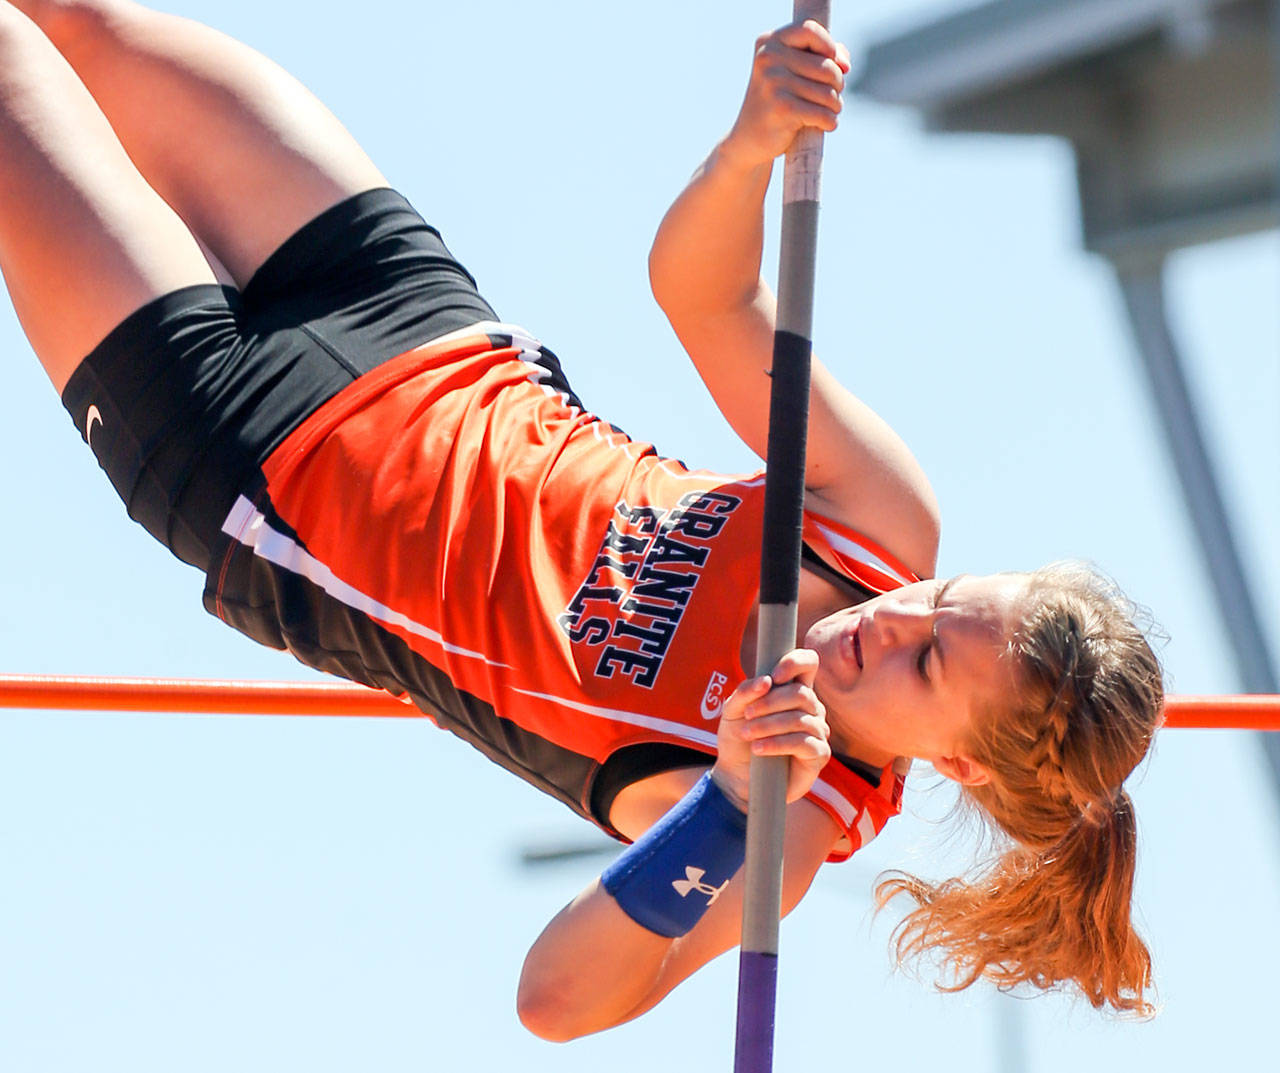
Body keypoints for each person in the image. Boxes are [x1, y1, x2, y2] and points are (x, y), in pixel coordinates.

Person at [0, 0, 1164, 1041]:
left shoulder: (784, 828)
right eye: (940, 604)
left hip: (254, 467)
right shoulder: (876, 521)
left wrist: (722, 797)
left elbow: (553, 997)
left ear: (951, 757)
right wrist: (749, 148)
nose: (889, 620)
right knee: (74, 22)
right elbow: (702, 295)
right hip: (416, 319)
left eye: (921, 661)